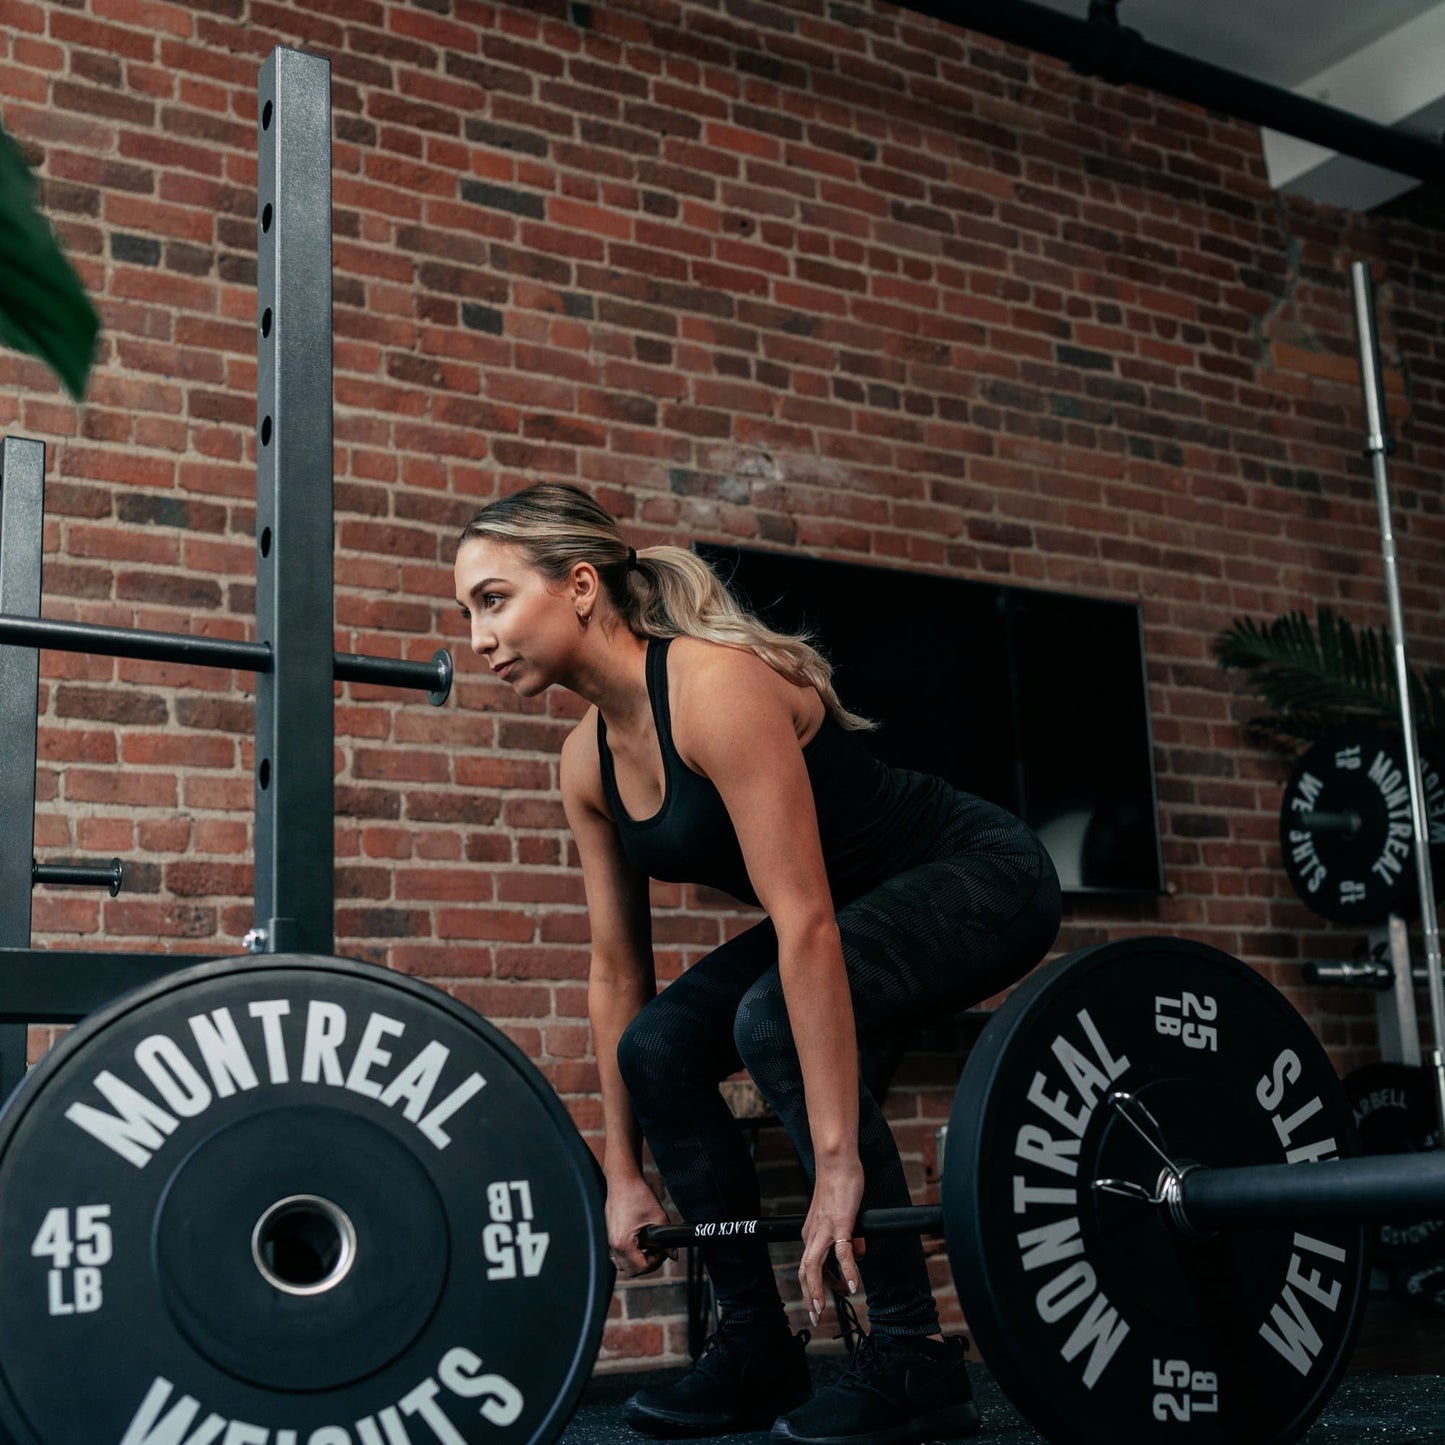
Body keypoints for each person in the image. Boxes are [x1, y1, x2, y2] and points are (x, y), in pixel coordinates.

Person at [453, 483, 1062, 1445]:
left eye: (492, 599)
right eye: (467, 613)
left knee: (769, 1014)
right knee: (657, 1046)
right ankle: (755, 1345)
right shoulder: (585, 761)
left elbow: (805, 921)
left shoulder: (711, 685)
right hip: (843, 915)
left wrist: (834, 1164)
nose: (478, 636)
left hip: (974, 875)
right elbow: (618, 976)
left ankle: (910, 1353)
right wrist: (623, 1172)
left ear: (577, 586)